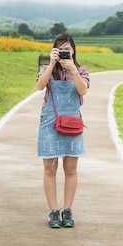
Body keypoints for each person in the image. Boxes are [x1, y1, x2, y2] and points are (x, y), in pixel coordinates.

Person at [36, 33, 90, 228]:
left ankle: (67, 211)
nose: (65, 53)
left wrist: (73, 70)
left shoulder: (82, 70)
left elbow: (83, 90)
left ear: (74, 50)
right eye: (61, 50)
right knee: (49, 169)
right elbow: (39, 86)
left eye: (68, 50)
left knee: (71, 169)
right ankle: (53, 212)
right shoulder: (46, 68)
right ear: (55, 51)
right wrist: (51, 65)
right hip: (50, 123)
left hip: (72, 122)